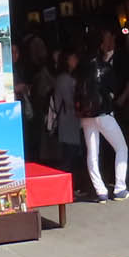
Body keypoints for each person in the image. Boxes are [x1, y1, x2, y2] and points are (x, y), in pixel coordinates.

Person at [76, 33, 129, 202]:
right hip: (103, 113)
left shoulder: (81, 66)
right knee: (121, 148)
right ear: (101, 46)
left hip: (86, 115)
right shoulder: (105, 67)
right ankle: (120, 188)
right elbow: (113, 88)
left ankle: (100, 191)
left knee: (92, 153)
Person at [50, 49, 82, 180]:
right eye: (73, 58)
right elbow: (69, 101)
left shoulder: (65, 78)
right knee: (70, 154)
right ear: (67, 61)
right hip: (69, 119)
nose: (76, 60)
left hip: (70, 119)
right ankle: (63, 182)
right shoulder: (64, 79)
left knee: (70, 153)